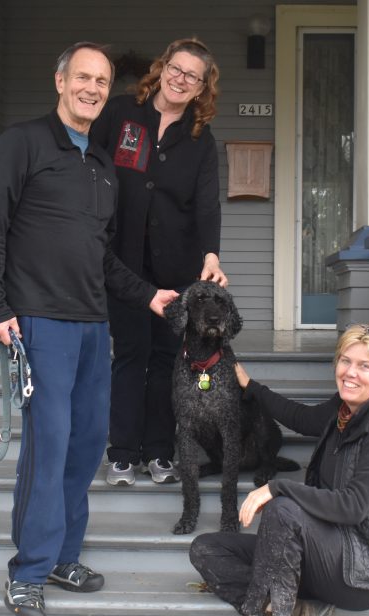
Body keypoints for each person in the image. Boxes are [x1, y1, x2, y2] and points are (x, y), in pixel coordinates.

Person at [0, 42, 177, 616]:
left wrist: (147, 295)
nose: (92, 88)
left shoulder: (103, 165)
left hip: (93, 326)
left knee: (88, 446)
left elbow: (103, 258)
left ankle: (64, 556)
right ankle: (29, 573)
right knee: (52, 446)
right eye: (82, 77)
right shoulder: (24, 144)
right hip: (37, 322)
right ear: (60, 80)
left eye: (102, 81)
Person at [189, 323, 369, 616]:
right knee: (207, 550)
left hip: (363, 570)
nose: (350, 373)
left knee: (283, 509)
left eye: (364, 366)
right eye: (345, 361)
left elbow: (354, 505)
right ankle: (297, 614)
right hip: (320, 553)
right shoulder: (344, 412)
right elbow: (299, 417)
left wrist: (278, 487)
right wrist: (252, 388)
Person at [89, 38, 226, 487]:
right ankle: (124, 453)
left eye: (192, 75)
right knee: (130, 353)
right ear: (162, 67)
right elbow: (91, 167)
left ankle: (161, 452)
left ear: (203, 86)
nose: (180, 79)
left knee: (168, 358)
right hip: (124, 261)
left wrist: (210, 252)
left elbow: (207, 204)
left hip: (176, 266)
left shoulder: (201, 140)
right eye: (175, 68)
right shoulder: (122, 113)